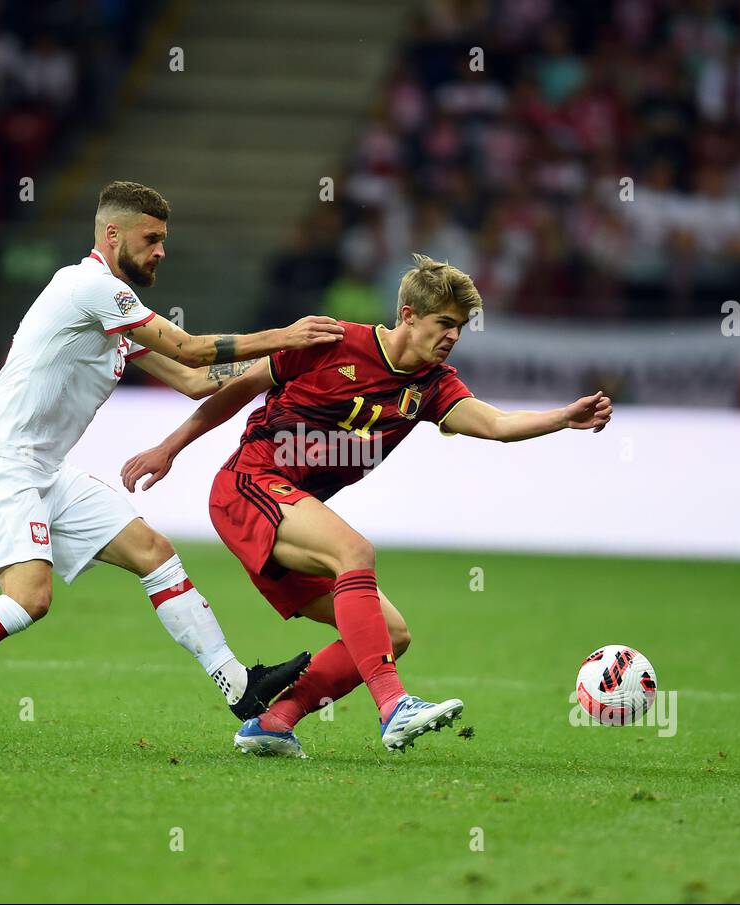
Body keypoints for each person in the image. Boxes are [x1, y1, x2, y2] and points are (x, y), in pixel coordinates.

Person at [0, 181, 344, 742]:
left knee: (154, 553)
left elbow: (192, 380)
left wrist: (285, 363)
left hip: (45, 469)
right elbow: (190, 349)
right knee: (29, 598)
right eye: (152, 239)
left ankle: (239, 686)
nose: (161, 251)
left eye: (164, 240)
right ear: (113, 234)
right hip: (4, 463)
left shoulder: (116, 310)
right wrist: (282, 337)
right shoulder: (87, 287)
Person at [121, 254, 612, 757]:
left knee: (391, 634)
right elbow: (235, 389)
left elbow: (496, 425)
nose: (452, 337)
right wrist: (169, 448)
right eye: (444, 323)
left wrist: (561, 418)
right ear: (408, 315)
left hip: (292, 515)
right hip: (249, 486)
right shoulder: (332, 342)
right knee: (356, 551)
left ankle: (273, 721)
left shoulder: (432, 386)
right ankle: (394, 706)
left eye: (460, 328)